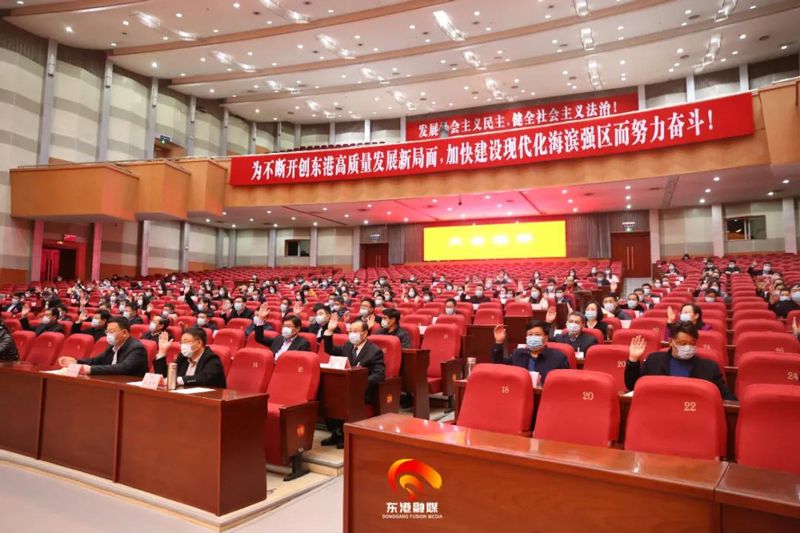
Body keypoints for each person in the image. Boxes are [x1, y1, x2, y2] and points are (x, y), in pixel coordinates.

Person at [321, 315, 385, 449]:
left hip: (363, 390)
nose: (351, 334)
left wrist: (359, 385)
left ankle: (345, 434)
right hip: (345, 387)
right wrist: (329, 331)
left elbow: (379, 374)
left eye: (355, 331)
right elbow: (330, 350)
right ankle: (336, 432)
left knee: (343, 399)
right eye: (350, 331)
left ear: (365, 333)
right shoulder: (348, 345)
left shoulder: (374, 351)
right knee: (326, 397)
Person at [625, 323, 735, 400]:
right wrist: (633, 360)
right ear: (671, 342)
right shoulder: (654, 360)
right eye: (683, 343)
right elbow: (632, 385)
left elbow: (727, 398)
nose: (688, 347)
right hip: (658, 411)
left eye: (692, 343)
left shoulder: (709, 368)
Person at [58, 317, 147, 376]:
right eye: (107, 332)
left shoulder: (137, 348)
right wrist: (76, 362)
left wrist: (91, 369)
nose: (108, 335)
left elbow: (123, 368)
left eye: (111, 332)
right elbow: (96, 360)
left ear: (124, 333)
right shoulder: (113, 346)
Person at [491, 319, 569, 384]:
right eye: (530, 334)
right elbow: (499, 365)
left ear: (545, 338)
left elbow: (563, 384)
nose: (533, 337)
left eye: (537, 335)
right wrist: (499, 342)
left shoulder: (558, 358)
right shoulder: (518, 354)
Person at [154, 327, 226, 388]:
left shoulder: (212, 358)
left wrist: (179, 380)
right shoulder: (183, 357)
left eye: (186, 342)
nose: (182, 346)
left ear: (199, 343)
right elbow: (165, 377)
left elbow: (204, 378)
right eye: (181, 343)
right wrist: (162, 351)